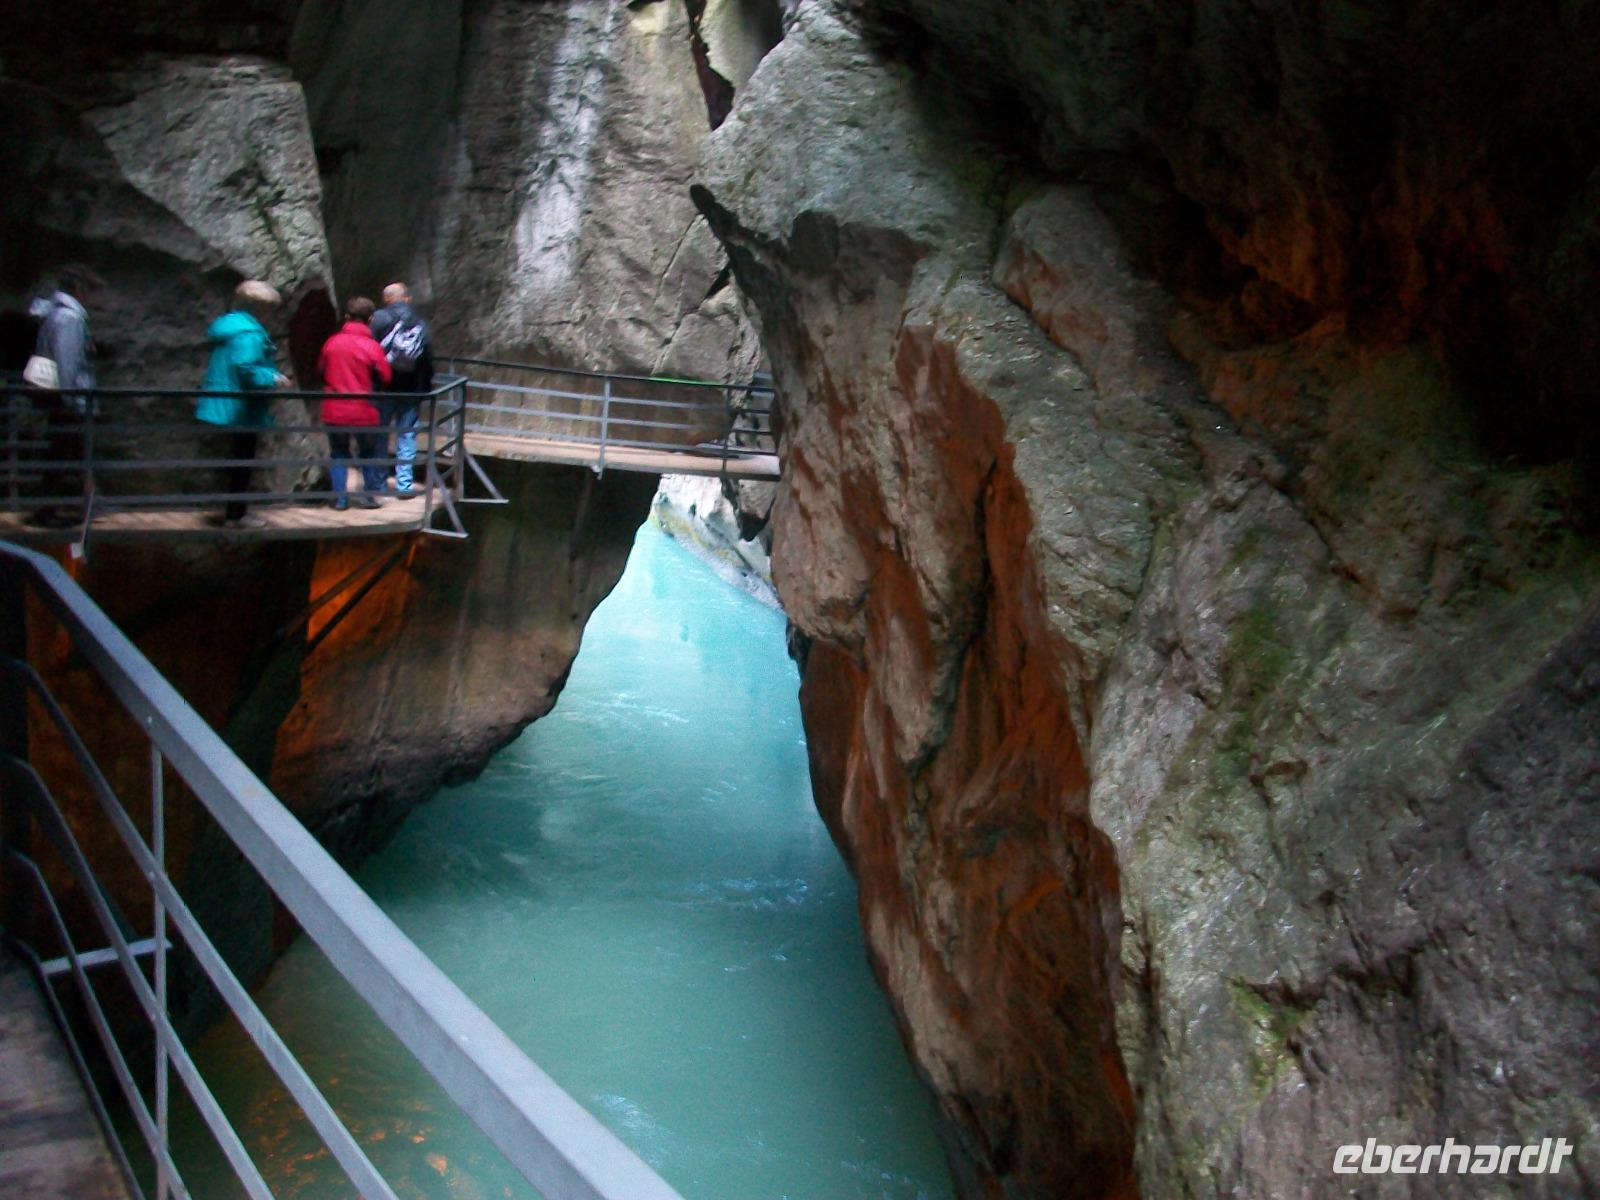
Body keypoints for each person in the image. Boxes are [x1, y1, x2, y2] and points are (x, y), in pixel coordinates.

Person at [196, 280, 290, 529]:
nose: (271, 316)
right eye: (270, 310)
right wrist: (272, 377)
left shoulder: (229, 326)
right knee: (243, 461)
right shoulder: (249, 333)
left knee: (237, 459)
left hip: (227, 402)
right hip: (242, 406)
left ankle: (233, 512)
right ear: (261, 309)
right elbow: (245, 367)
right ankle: (236, 515)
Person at [27, 264, 104, 528]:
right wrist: (72, 399)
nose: (91, 297)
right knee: (63, 455)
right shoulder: (70, 318)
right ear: (79, 289)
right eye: (90, 290)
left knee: (62, 454)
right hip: (68, 401)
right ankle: (50, 511)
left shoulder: (54, 314)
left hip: (58, 399)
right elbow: (67, 363)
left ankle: (73, 506)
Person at [319, 296, 392, 510]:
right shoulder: (372, 346)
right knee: (368, 453)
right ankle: (368, 497)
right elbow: (385, 376)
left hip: (335, 408)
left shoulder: (332, 343)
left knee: (338, 452)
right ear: (370, 319)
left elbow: (320, 370)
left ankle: (340, 499)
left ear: (346, 317)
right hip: (364, 409)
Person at [368, 281, 434, 498]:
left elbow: (368, 352)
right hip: (411, 389)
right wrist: (424, 387)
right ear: (407, 298)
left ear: (386, 299)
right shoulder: (419, 322)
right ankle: (404, 485)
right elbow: (427, 358)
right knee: (407, 435)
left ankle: (378, 483)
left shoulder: (378, 319)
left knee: (380, 435)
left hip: (383, 388)